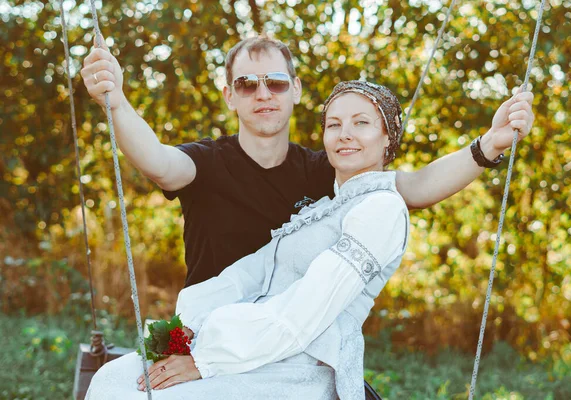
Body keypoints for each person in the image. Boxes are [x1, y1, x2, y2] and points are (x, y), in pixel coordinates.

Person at [81, 36, 535, 292]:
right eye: (247, 83)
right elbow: (158, 162)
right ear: (229, 96)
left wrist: (489, 144)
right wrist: (117, 103)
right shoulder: (206, 162)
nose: (263, 94)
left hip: (291, 339)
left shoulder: (325, 169)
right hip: (212, 333)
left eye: (275, 83)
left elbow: (413, 188)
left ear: (296, 90)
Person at [85, 80, 423, 399]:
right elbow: (251, 273)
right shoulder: (323, 208)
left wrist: (208, 361)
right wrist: (191, 324)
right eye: (334, 125)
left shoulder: (381, 209)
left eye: (361, 123)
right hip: (254, 348)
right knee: (113, 379)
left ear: (388, 137)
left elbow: (305, 310)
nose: (344, 134)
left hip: (298, 362)